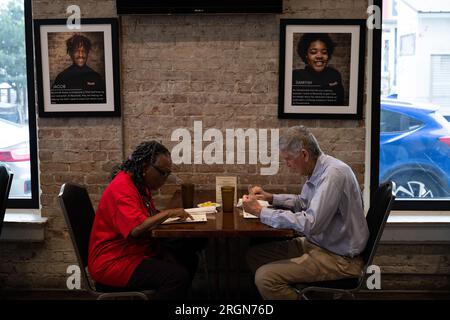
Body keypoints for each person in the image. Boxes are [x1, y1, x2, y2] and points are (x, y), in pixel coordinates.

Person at [242, 126, 369, 300]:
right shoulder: (319, 169)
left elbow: (311, 223)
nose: (287, 165)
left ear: (304, 154)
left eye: (288, 159)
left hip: (340, 259)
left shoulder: (333, 175)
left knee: (266, 278)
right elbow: (303, 203)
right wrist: (270, 198)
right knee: (255, 255)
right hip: (319, 245)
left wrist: (261, 211)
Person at [88, 141, 203, 300]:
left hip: (133, 252)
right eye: (162, 173)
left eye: (167, 174)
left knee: (187, 256)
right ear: (144, 167)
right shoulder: (123, 187)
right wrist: (168, 213)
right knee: (177, 277)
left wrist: (167, 216)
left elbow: (146, 216)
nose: (164, 179)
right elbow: (136, 228)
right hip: (114, 262)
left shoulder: (139, 185)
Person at [292, 33, 344, 106]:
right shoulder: (295, 76)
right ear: (306, 55)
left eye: (324, 52)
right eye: (313, 52)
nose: (319, 56)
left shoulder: (334, 75)